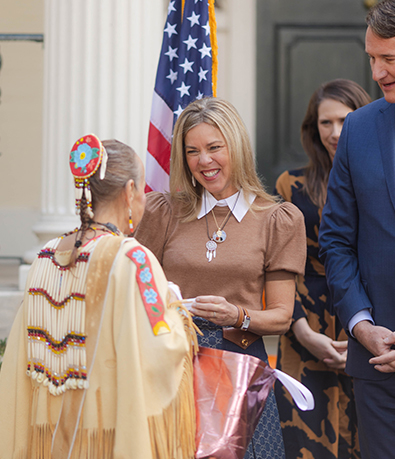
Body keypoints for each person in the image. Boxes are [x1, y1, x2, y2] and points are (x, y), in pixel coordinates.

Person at [0, 134, 197, 459]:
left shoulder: (45, 256)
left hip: (47, 439)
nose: (145, 200)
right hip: (108, 436)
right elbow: (163, 344)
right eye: (143, 189)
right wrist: (176, 312)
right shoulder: (134, 260)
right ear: (129, 191)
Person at [135, 97, 307, 459]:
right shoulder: (163, 213)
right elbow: (135, 290)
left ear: (237, 147)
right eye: (192, 151)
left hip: (238, 368)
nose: (204, 161)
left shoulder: (277, 219)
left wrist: (237, 316)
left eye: (215, 147)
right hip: (171, 365)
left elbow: (281, 316)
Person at [319, 1, 395, 458]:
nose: (375, 72)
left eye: (388, 59)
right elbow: (335, 239)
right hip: (379, 368)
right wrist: (359, 323)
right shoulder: (357, 128)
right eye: (371, 58)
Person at [274, 79, 371, 459]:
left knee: (370, 439)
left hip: (369, 322)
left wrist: (364, 329)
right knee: (305, 442)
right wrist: (302, 330)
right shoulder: (291, 185)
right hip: (304, 323)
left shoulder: (383, 181)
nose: (335, 133)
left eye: (345, 121)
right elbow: (278, 266)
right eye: (325, 123)